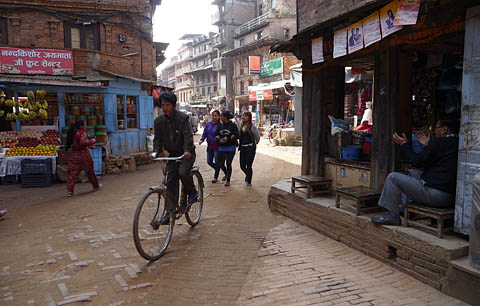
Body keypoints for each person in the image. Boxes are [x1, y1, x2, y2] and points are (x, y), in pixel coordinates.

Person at [371, 119, 459, 225]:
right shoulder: (457, 143)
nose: (434, 131)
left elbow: (416, 161)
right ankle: (406, 209)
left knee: (393, 178)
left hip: (437, 196)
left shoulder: (441, 142)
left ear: (445, 129)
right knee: (415, 173)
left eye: (436, 128)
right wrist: (427, 146)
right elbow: (432, 159)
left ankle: (392, 215)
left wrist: (404, 144)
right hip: (450, 196)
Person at [154, 92, 198, 219]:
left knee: (183, 173)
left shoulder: (182, 118)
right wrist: (156, 151)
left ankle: (193, 193)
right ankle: (170, 210)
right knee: (171, 180)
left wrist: (187, 150)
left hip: (186, 154)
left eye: (167, 105)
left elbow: (187, 136)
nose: (165, 108)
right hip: (172, 155)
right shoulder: (158, 121)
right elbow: (157, 139)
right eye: (163, 105)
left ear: (173, 106)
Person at [66, 119, 100, 197]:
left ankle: (70, 191)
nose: (86, 126)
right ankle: (95, 186)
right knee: (90, 172)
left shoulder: (73, 133)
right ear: (81, 126)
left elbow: (78, 143)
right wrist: (92, 141)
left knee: (72, 174)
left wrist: (89, 145)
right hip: (84, 155)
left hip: (74, 156)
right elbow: (83, 142)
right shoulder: (81, 133)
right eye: (85, 125)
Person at [199, 110, 226, 183]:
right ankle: (219, 170)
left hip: (217, 146)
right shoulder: (208, 124)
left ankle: (215, 177)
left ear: (219, 116)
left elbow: (223, 134)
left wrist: (220, 137)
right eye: (213, 115)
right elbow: (205, 133)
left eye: (215, 115)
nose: (214, 117)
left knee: (217, 162)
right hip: (209, 146)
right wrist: (202, 140)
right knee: (209, 161)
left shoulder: (221, 125)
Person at [216, 110, 239, 187]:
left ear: (225, 117)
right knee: (220, 163)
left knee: (228, 163)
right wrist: (219, 139)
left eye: (222, 116)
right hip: (221, 147)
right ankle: (226, 174)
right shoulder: (220, 125)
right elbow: (216, 134)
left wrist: (228, 139)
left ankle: (228, 180)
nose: (220, 117)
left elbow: (237, 135)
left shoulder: (233, 125)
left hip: (231, 147)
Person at [238, 111, 260, 189]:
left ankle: (249, 182)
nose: (244, 117)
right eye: (243, 115)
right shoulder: (240, 126)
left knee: (249, 165)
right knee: (242, 165)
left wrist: (254, 145)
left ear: (249, 118)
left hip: (250, 148)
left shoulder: (252, 127)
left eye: (246, 116)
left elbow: (257, 137)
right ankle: (248, 175)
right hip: (242, 148)